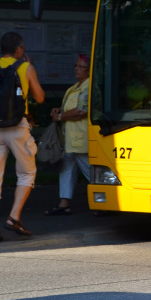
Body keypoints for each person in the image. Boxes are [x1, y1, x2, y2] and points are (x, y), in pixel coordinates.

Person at [0, 32, 45, 244]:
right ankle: (14, 217)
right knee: (28, 172)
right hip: (17, 127)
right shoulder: (25, 68)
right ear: (19, 50)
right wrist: (29, 71)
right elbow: (40, 98)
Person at [45, 54, 91, 216]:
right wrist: (59, 111)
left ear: (89, 70)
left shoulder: (89, 87)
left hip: (81, 138)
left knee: (90, 172)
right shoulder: (74, 87)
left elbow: (81, 111)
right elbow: (71, 108)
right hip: (70, 138)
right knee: (65, 169)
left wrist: (60, 116)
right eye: (76, 66)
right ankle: (64, 203)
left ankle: (102, 203)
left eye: (81, 67)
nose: (77, 69)